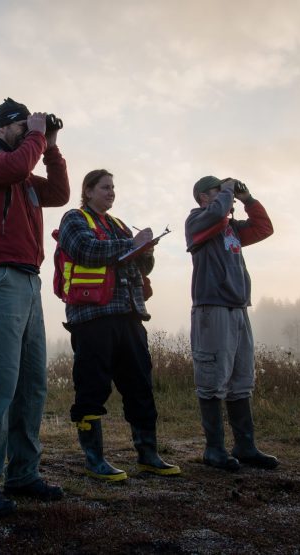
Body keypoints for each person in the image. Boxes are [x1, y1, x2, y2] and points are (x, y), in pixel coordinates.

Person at [0, 98, 70, 516]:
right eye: (22, 126)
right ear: (4, 127)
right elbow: (15, 168)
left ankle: (23, 473)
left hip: (28, 278)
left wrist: (53, 145)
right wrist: (38, 136)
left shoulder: (26, 171)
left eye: (31, 127)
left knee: (31, 386)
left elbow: (59, 193)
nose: (28, 132)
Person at [56, 169, 181, 481]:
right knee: (92, 386)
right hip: (91, 318)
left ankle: (148, 455)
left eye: (113, 187)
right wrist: (131, 243)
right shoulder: (74, 219)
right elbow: (85, 250)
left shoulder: (120, 226)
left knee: (140, 385)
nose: (111, 192)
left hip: (130, 315)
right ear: (88, 190)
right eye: (105, 187)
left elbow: (142, 265)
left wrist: (146, 249)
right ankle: (95, 459)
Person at [185, 175, 278, 472]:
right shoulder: (198, 220)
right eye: (218, 191)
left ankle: (245, 446)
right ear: (203, 196)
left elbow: (264, 228)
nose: (228, 196)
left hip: (238, 308)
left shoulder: (232, 229)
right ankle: (214, 450)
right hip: (212, 309)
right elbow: (215, 213)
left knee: (240, 380)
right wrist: (225, 192)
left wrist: (248, 198)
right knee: (213, 380)